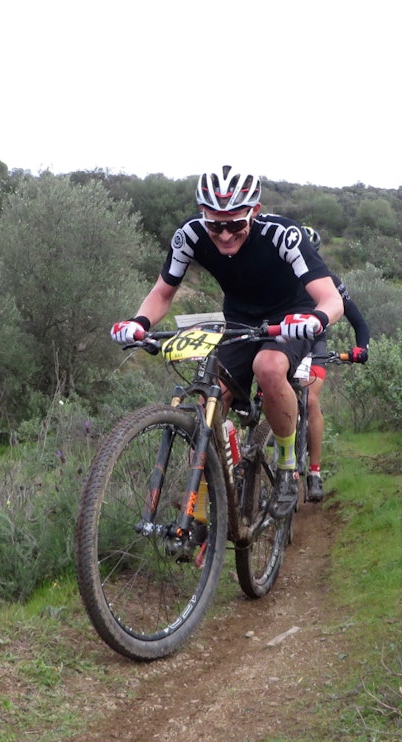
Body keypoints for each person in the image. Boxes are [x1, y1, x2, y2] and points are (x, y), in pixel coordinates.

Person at [111, 166, 344, 518]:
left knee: (267, 366)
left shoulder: (283, 234)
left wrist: (317, 318)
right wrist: (139, 322)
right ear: (203, 216)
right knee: (207, 401)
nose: (223, 234)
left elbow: (331, 298)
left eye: (235, 224)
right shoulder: (190, 235)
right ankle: (206, 502)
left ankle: (286, 467)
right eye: (214, 224)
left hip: (290, 315)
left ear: (256, 210)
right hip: (239, 317)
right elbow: (162, 292)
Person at [300, 226, 370, 502]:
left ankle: (314, 472)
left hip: (313, 346)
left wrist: (361, 348)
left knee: (309, 401)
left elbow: (358, 321)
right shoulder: (273, 276)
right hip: (281, 343)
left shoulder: (326, 280)